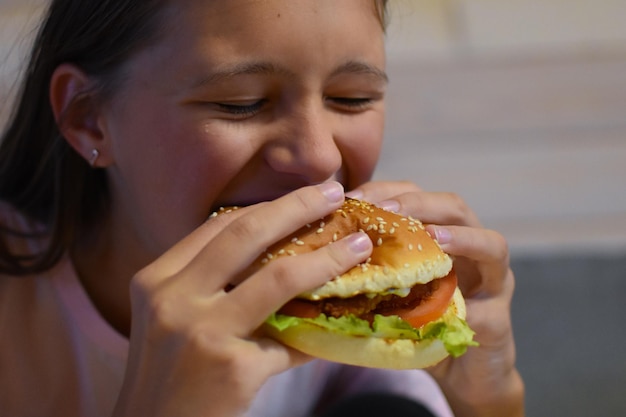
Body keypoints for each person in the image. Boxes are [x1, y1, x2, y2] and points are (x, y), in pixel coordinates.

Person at [0, 0, 524, 416]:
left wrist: (488, 398)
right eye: (241, 103)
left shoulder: (360, 306)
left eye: (352, 98)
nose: (320, 157)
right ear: (89, 117)